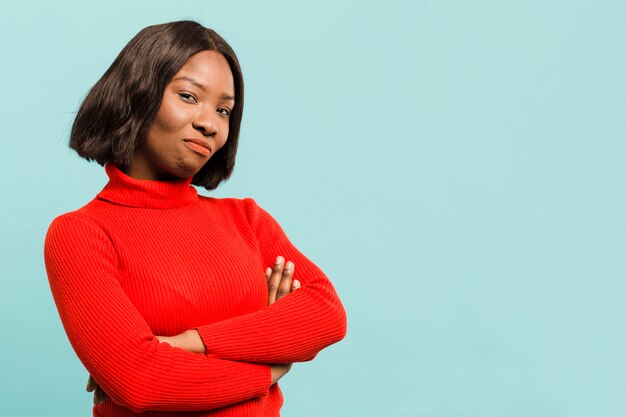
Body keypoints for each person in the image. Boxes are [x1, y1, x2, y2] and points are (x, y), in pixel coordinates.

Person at [43, 20, 347, 417]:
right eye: (189, 96)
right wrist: (269, 367)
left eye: (224, 110)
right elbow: (142, 382)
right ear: (138, 94)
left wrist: (189, 342)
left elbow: (326, 313)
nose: (210, 123)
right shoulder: (80, 234)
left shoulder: (246, 220)